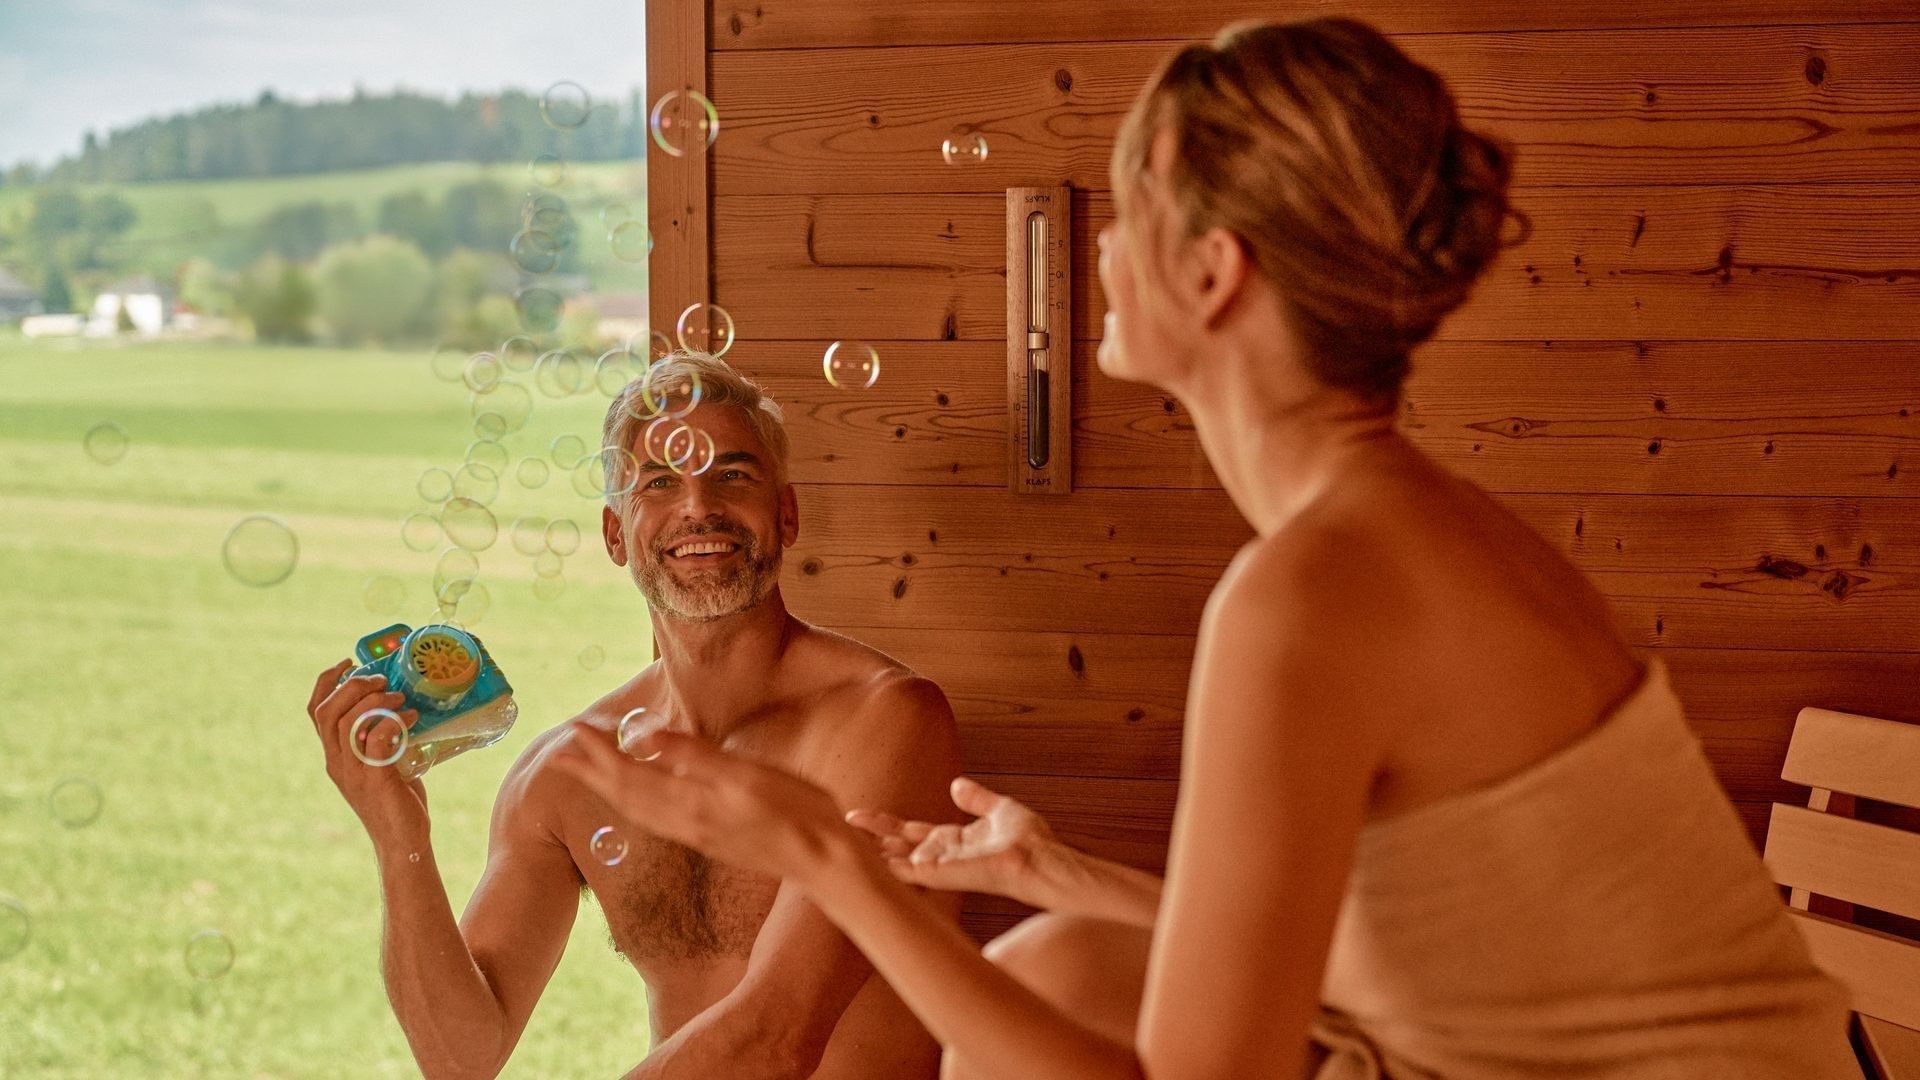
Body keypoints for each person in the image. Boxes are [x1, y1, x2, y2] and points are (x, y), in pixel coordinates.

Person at [546, 16, 1861, 1080]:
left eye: (1132, 211)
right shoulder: (1389, 527)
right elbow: (1397, 944)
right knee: (1058, 957)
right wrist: (1056, 873)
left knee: (1042, 994)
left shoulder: (1314, 591)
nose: (1106, 248)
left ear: (1216, 274)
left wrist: (831, 863)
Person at [303, 352, 964, 1079]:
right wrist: (398, 833)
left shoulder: (885, 722)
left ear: (787, 515)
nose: (698, 507)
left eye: (733, 476)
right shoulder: (570, 771)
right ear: (616, 534)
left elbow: (779, 1036)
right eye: (659, 483)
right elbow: (460, 1056)